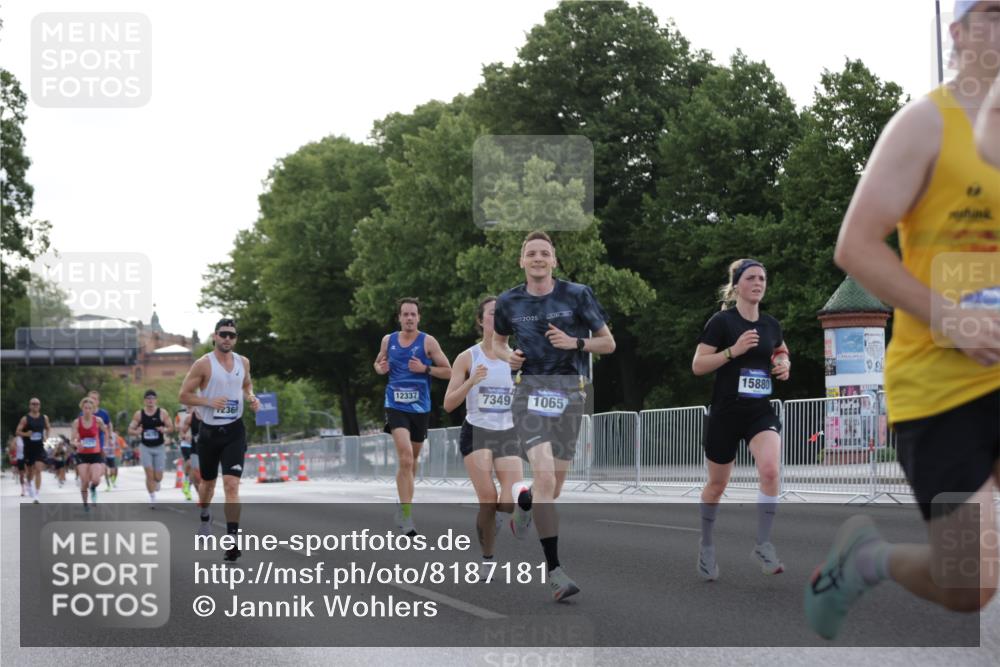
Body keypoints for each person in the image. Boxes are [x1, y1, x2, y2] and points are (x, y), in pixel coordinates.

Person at [805, 0, 1000, 640]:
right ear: (960, 30)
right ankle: (868, 559)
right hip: (941, 386)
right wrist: (953, 318)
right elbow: (856, 245)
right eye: (993, 12)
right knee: (969, 583)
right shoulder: (924, 124)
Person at [492, 230, 616, 601]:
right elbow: (496, 344)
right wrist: (507, 357)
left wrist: (576, 343)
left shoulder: (578, 295)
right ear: (522, 261)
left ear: (554, 260)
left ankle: (526, 501)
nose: (538, 258)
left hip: (570, 395)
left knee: (553, 488)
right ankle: (555, 572)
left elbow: (608, 343)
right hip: (528, 392)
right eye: (531, 253)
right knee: (545, 474)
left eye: (544, 253)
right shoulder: (508, 301)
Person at [691, 259, 791, 581]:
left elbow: (780, 351)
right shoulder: (722, 322)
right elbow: (698, 365)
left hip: (759, 411)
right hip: (725, 413)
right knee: (717, 485)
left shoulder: (771, 324)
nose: (758, 282)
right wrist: (732, 352)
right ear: (737, 285)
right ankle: (706, 547)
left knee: (771, 470)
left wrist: (784, 363)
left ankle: (763, 544)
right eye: (751, 278)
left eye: (763, 277)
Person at [443, 296, 525, 581]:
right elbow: (449, 404)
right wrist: (470, 381)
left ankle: (499, 522)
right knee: (488, 500)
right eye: (492, 313)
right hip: (476, 430)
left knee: (511, 499)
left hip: (506, 432)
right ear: (481, 320)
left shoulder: (516, 357)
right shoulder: (468, 358)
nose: (498, 318)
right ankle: (487, 559)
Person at [179, 318, 260, 561]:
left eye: (232, 335)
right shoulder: (203, 365)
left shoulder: (243, 362)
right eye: (223, 334)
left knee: (232, 485)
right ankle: (205, 515)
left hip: (234, 430)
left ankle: (233, 541)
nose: (227, 339)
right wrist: (207, 402)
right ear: (215, 336)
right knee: (208, 486)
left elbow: (246, 385)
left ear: (236, 339)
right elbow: (183, 395)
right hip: (209, 432)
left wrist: (252, 397)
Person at [373, 297, 452, 536]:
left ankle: (402, 500)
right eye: (405, 314)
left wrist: (425, 369)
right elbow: (378, 363)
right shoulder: (388, 340)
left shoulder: (428, 342)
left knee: (413, 460)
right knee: (406, 458)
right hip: (395, 405)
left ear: (418, 317)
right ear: (399, 317)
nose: (409, 318)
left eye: (413, 314)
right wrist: (380, 368)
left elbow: (449, 372)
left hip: (420, 408)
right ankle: (407, 516)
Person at [128, 390, 173, 508]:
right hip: (145, 447)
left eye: (152, 398)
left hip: (159, 447)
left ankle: (157, 482)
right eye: (148, 398)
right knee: (149, 474)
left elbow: (171, 427)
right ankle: (152, 497)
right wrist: (136, 431)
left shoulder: (162, 413)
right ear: (145, 400)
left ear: (156, 400)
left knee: (158, 476)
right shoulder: (139, 414)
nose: (150, 400)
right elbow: (130, 430)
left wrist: (165, 430)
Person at [71, 396, 107, 510]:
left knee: (96, 479)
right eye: (85, 408)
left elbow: (105, 432)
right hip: (82, 455)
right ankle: (85, 503)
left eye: (89, 408)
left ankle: (93, 489)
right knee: (84, 480)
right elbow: (72, 440)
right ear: (82, 408)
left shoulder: (98, 420)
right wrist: (76, 444)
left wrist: (104, 446)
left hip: (95, 454)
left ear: (93, 409)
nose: (87, 410)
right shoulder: (77, 422)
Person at [15, 398, 51, 503]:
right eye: (33, 404)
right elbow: (17, 431)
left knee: (38, 469)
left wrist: (46, 437)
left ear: (40, 405)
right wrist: (26, 434)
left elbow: (48, 427)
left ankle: (36, 495)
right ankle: (29, 483)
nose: (35, 405)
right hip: (28, 448)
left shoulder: (44, 418)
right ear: (30, 405)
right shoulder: (25, 419)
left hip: (39, 447)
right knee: (30, 472)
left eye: (37, 404)